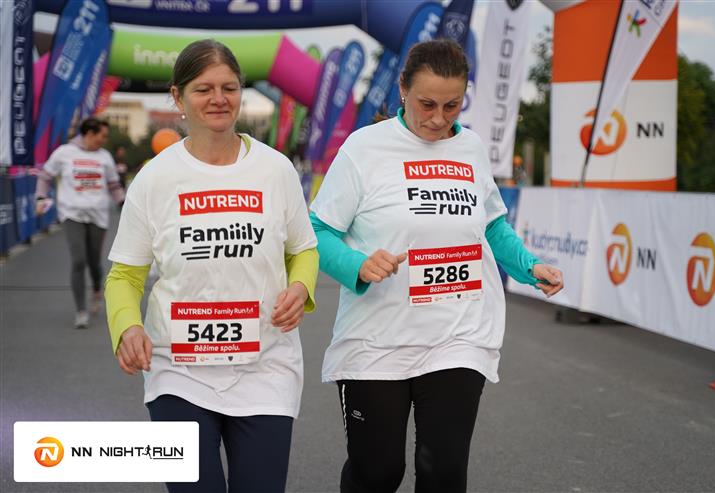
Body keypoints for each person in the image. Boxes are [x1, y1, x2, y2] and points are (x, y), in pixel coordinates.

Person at [309, 39, 564, 493]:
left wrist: (530, 266)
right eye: (427, 104)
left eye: (452, 105)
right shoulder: (364, 149)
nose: (438, 118)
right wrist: (358, 264)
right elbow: (318, 231)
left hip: (457, 336)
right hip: (377, 340)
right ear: (403, 89)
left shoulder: (471, 148)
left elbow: (492, 225)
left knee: (443, 473)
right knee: (377, 472)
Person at [104, 39, 318, 493]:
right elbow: (124, 276)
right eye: (203, 89)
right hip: (178, 371)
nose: (219, 99)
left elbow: (304, 249)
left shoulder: (276, 170)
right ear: (178, 97)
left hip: (266, 367)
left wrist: (301, 288)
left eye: (229, 87)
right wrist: (127, 327)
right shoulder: (154, 179)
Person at [35, 117, 124, 329]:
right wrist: (40, 198)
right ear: (89, 133)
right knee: (78, 260)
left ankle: (96, 288)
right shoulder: (64, 153)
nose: (104, 140)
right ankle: (81, 311)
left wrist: (123, 204)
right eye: (102, 136)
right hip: (71, 214)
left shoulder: (104, 157)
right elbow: (45, 176)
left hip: (98, 216)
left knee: (94, 262)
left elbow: (113, 185)